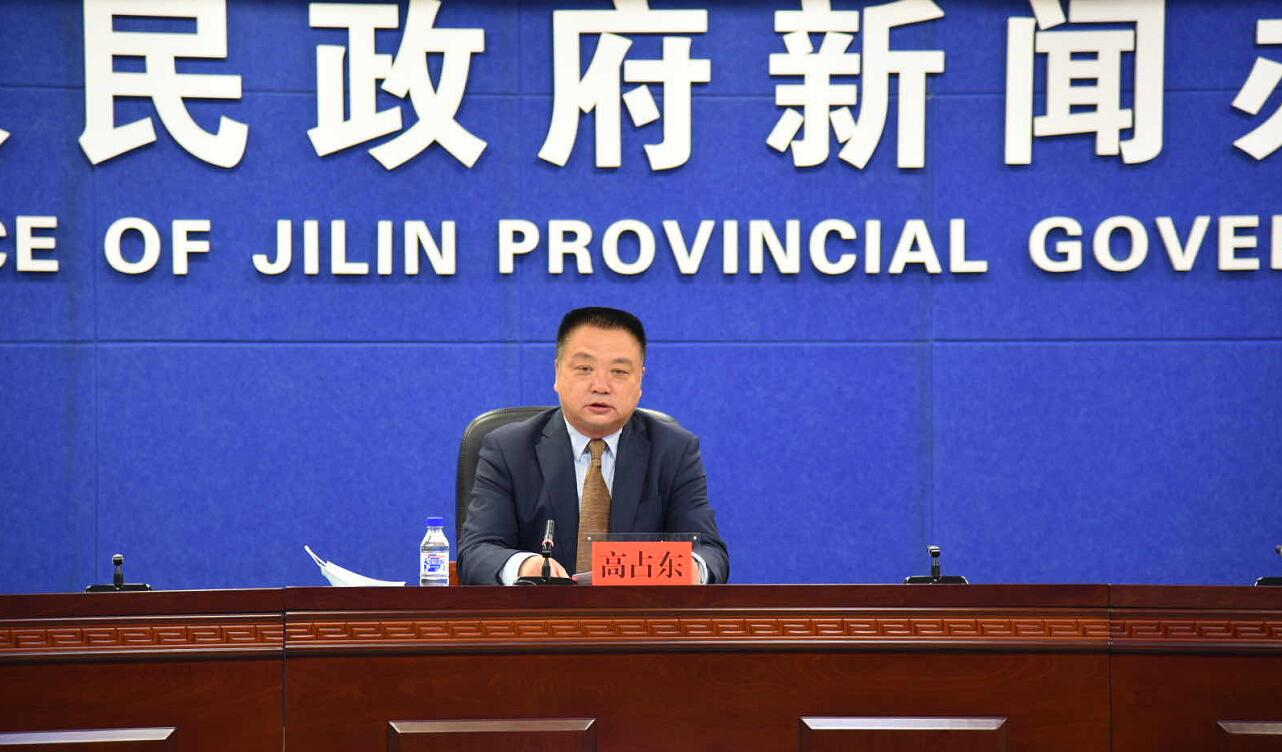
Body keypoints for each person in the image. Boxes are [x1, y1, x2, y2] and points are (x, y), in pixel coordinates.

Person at [458, 307, 730, 585]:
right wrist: (524, 565)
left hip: (638, 610)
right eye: (584, 369)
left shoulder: (673, 450)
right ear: (557, 373)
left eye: (619, 371)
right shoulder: (508, 449)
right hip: (539, 611)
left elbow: (708, 551)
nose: (600, 386)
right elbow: (477, 551)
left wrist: (691, 568)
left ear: (640, 381)